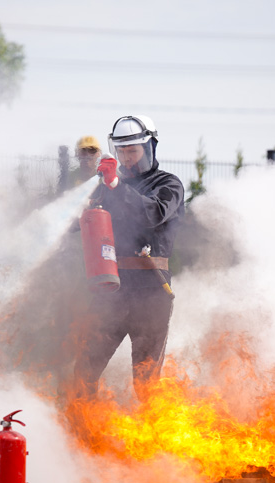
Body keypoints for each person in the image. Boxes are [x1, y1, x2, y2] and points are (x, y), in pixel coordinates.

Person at [68, 115, 185, 403]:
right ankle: (85, 436)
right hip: (111, 290)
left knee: (146, 384)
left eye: (133, 151)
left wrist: (117, 185)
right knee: (84, 372)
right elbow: (77, 222)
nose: (127, 158)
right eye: (121, 151)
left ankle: (155, 442)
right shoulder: (107, 187)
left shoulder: (168, 185)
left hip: (151, 294)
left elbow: (153, 214)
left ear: (150, 148)